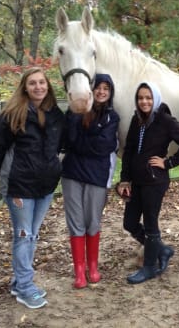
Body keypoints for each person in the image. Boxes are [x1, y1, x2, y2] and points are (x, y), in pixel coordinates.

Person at [0, 67, 64, 309]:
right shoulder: (11, 115)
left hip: (46, 187)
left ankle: (20, 281)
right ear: (25, 87)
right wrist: (11, 174)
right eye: (32, 83)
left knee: (32, 235)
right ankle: (26, 288)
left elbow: (59, 145)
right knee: (23, 235)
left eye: (42, 82)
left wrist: (53, 168)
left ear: (47, 86)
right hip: (20, 188)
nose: (38, 87)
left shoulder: (55, 114)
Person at [116, 82, 179, 284]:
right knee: (130, 222)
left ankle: (149, 267)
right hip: (136, 181)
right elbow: (130, 150)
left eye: (148, 98)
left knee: (151, 224)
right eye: (141, 98)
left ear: (156, 99)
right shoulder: (137, 120)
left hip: (154, 181)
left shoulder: (166, 120)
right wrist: (125, 178)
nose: (144, 101)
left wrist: (167, 163)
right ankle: (162, 250)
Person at [61, 73, 120, 288]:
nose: (102, 92)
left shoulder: (112, 118)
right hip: (72, 174)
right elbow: (70, 141)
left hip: (97, 176)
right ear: (90, 90)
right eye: (98, 87)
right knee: (75, 222)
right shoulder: (74, 114)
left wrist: (84, 142)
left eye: (106, 88)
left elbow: (104, 146)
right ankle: (79, 270)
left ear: (110, 92)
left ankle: (93, 266)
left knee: (93, 221)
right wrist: (90, 137)